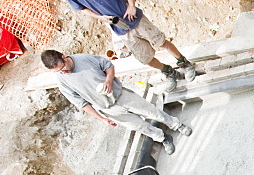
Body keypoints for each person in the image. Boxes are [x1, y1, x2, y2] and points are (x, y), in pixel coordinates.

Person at [48, 0, 196, 93]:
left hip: (133, 18)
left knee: (161, 42)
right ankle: (169, 72)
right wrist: (100, 17)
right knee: (145, 58)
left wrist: (131, 5)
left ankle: (184, 63)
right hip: (119, 27)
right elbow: (81, 9)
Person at [41, 50, 191, 155]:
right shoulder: (62, 82)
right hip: (108, 109)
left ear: (64, 57)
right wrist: (101, 118)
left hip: (121, 95)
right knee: (139, 126)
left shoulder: (83, 59)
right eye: (58, 72)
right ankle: (163, 138)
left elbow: (108, 65)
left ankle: (177, 125)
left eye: (63, 68)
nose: (63, 72)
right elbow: (81, 103)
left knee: (151, 111)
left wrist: (108, 80)